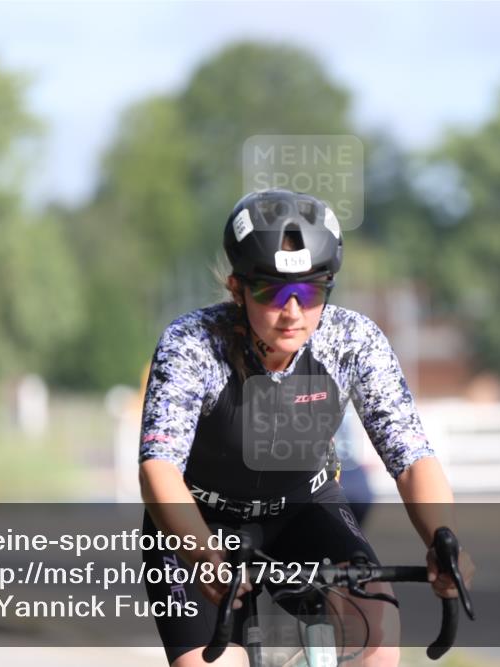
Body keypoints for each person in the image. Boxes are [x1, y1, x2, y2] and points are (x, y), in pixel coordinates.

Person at [138, 189, 474, 666]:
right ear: (237, 288)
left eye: (310, 290)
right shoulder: (193, 344)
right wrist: (199, 553)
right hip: (198, 520)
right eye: (271, 291)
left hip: (304, 507)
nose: (292, 310)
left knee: (377, 630)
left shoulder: (352, 340)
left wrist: (442, 538)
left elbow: (411, 456)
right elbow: (158, 470)